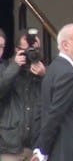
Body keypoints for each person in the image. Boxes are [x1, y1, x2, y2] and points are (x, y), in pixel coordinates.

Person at [31, 23, 73, 161]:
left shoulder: (55, 68)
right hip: (68, 152)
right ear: (65, 45)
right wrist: (41, 150)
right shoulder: (67, 74)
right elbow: (54, 114)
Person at [0, 29, 46, 161]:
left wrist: (44, 76)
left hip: (35, 147)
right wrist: (15, 66)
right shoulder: (6, 67)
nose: (31, 53)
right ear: (17, 50)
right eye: (27, 50)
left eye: (35, 50)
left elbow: (55, 99)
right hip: (10, 145)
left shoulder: (44, 71)